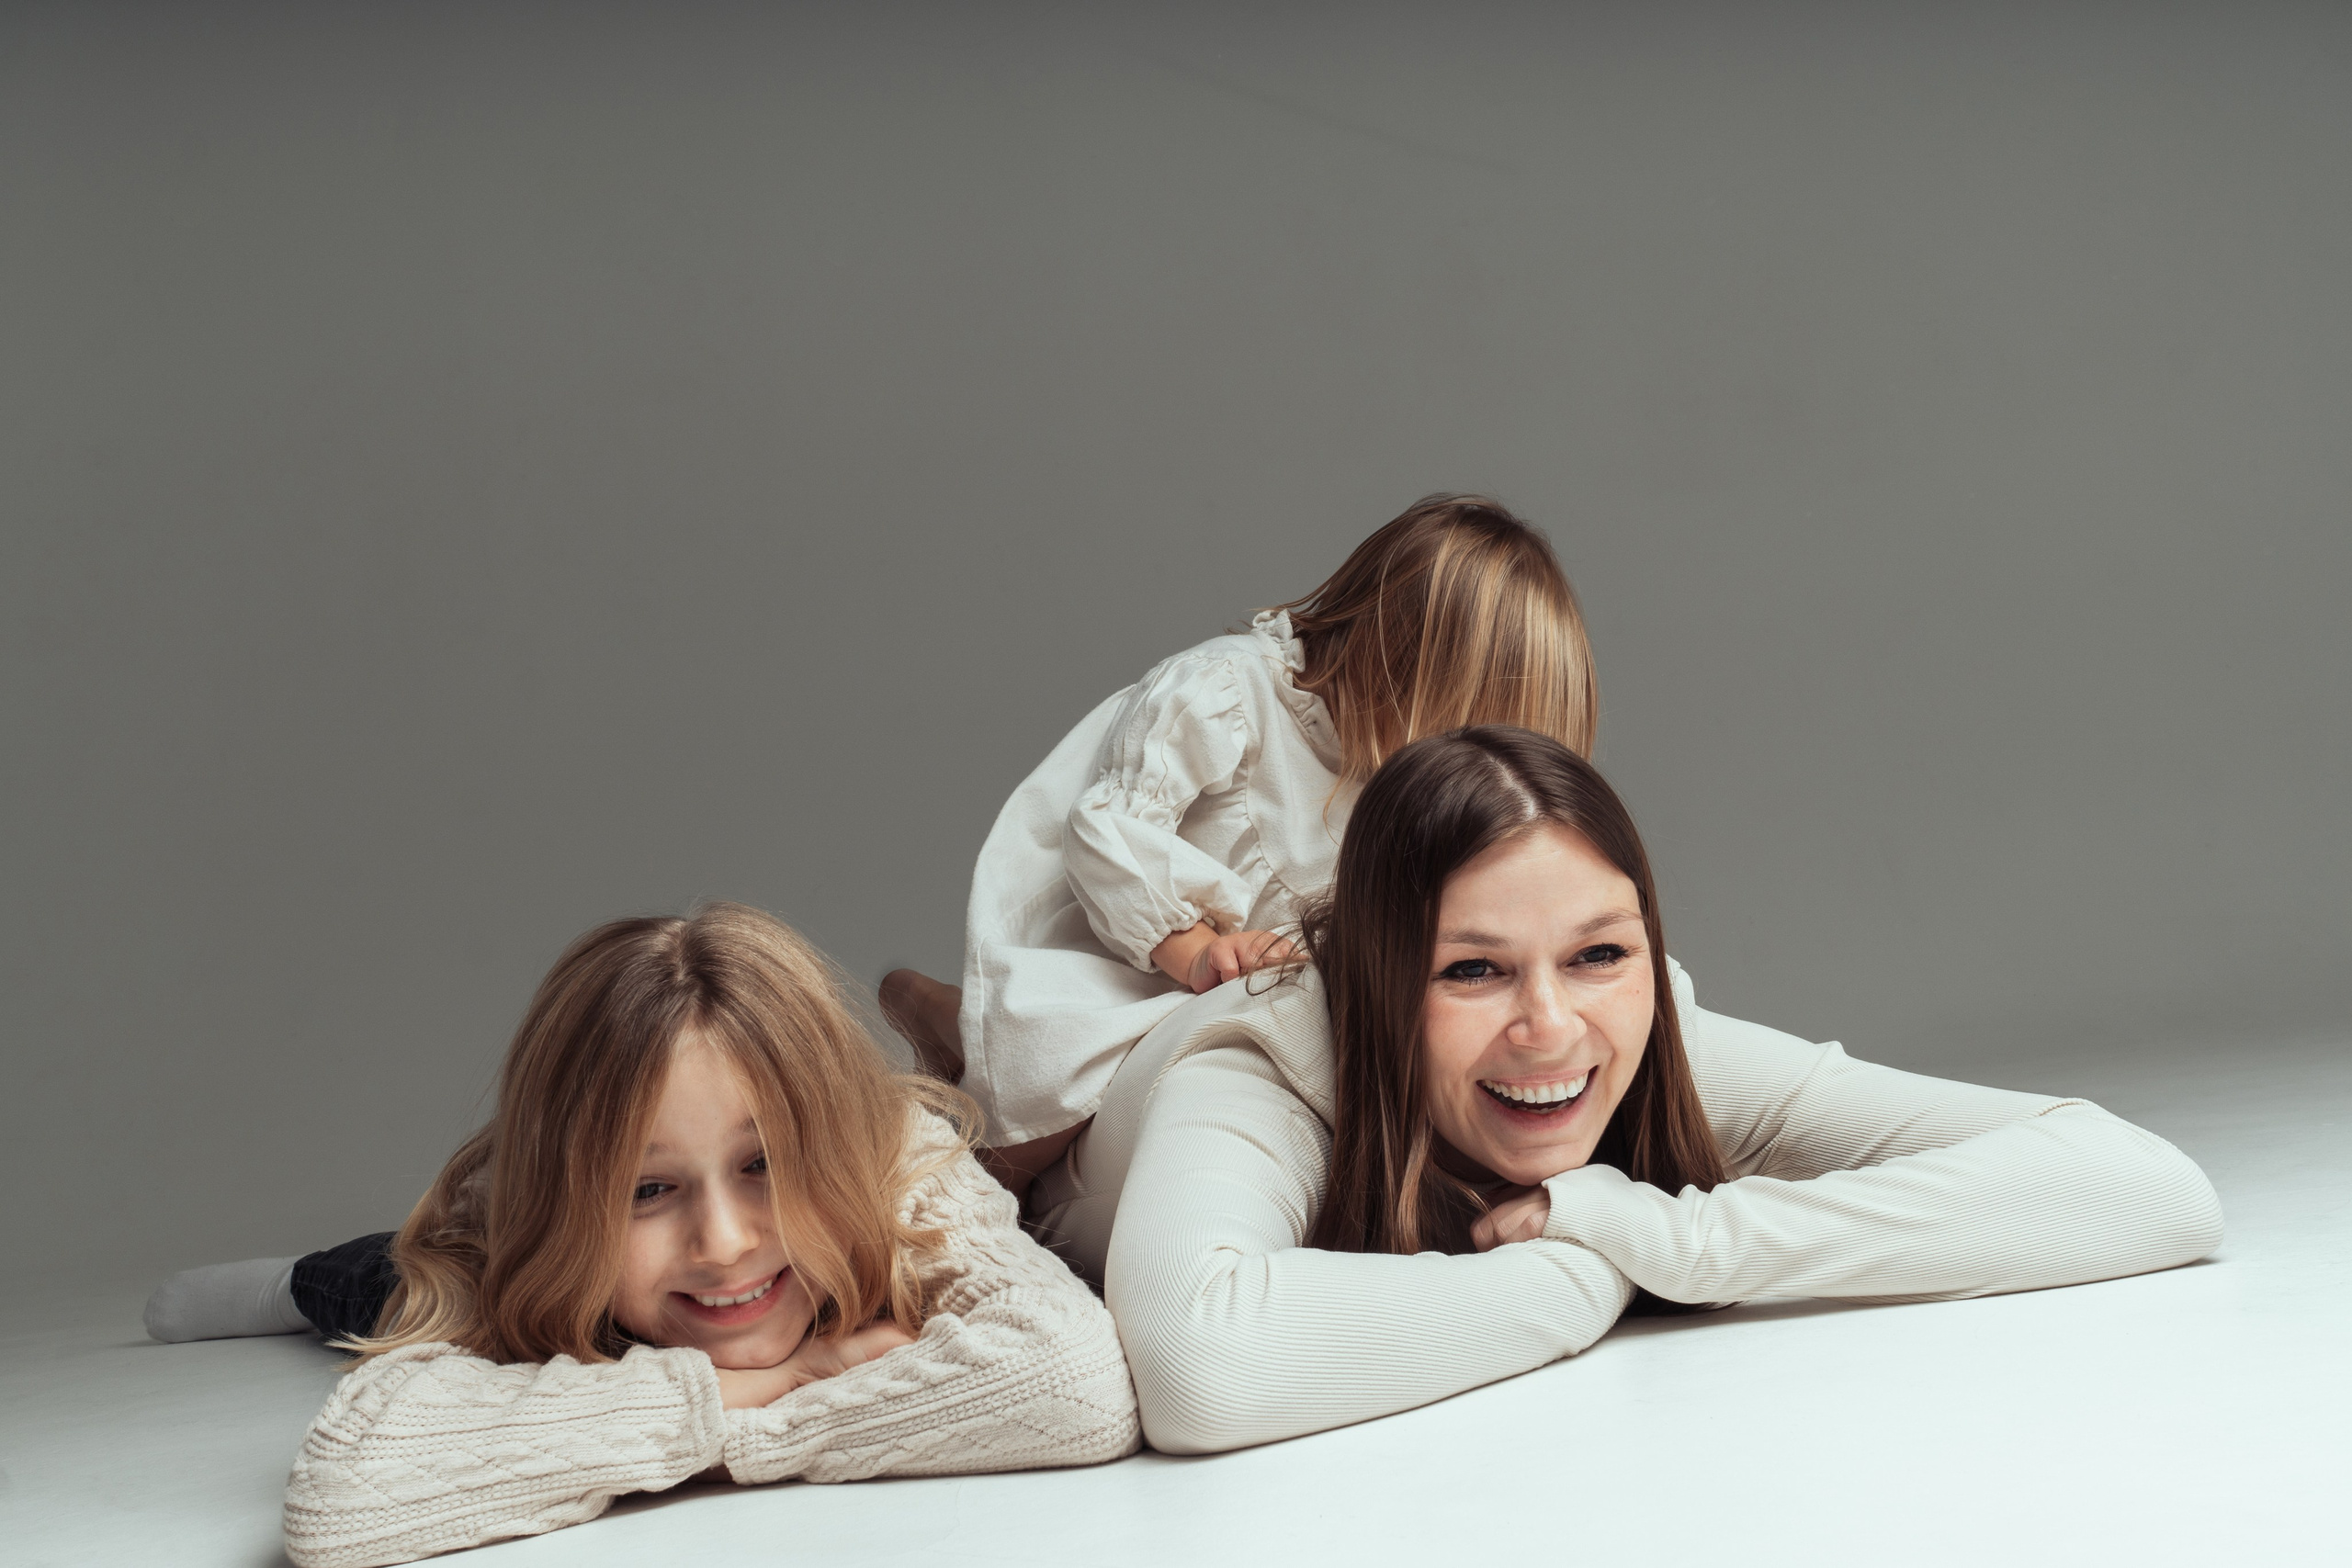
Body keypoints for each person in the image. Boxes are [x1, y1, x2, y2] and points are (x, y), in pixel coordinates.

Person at [1023, 727, 2225, 1453]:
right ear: (1380, 984)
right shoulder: (1264, 1065)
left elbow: (2145, 1183)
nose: (1553, 1026)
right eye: (1473, 968)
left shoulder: (1653, 1030)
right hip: (1055, 1142)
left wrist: (1685, 1237)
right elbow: (1199, 1365)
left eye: (1599, 952)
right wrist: (1580, 1271)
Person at [150, 904, 1138, 1568]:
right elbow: (343, 1500)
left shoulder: (898, 1161)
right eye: (649, 1190)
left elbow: (1070, 1384)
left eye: (765, 1166)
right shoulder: (515, 1229)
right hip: (517, 1255)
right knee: (382, 1282)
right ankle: (290, 1283)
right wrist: (786, 1380)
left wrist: (703, 1435)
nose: (722, 1241)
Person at [881, 494, 1600, 1197]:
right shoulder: (1228, 692)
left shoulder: (1406, 792)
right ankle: (950, 1168)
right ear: (1403, 662)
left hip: (1259, 985)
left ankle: (947, 1017)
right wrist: (1193, 949)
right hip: (1131, 950)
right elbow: (1110, 831)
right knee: (1047, 1103)